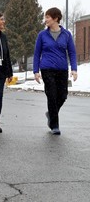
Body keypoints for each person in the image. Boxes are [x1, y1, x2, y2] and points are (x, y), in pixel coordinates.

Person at [33, 7, 78, 135]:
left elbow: (72, 53)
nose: (45, 20)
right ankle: (55, 125)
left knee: (63, 96)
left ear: (56, 18)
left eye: (47, 17)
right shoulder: (42, 35)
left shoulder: (66, 34)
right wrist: (36, 71)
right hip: (47, 69)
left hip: (62, 69)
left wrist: (74, 69)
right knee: (51, 95)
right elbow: (37, 54)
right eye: (45, 17)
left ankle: (51, 114)